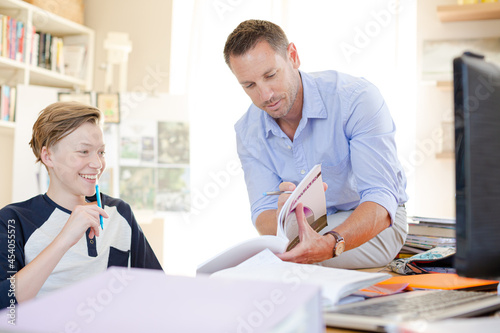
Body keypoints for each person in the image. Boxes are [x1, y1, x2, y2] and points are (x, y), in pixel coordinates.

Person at [224, 19, 408, 269]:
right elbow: (263, 213)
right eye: (250, 85)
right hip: (305, 228)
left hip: (374, 222)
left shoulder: (356, 99)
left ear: (292, 56)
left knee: (293, 264)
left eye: (270, 75)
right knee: (259, 264)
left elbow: (381, 199)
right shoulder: (247, 131)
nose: (265, 95)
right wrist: (282, 218)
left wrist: (330, 243)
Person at [0, 101, 162, 309]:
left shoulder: (120, 213)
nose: (97, 164)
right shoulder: (13, 220)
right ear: (48, 156)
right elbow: (5, 306)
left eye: (101, 152)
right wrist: (64, 239)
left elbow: (157, 290)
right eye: (84, 152)